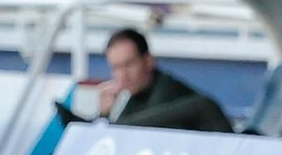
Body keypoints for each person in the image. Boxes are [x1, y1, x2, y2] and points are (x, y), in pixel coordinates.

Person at [98, 28, 234, 131]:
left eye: (129, 65)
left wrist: (105, 120)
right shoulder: (134, 95)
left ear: (148, 61)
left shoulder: (168, 91)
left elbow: (132, 132)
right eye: (116, 68)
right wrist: (105, 114)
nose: (123, 75)